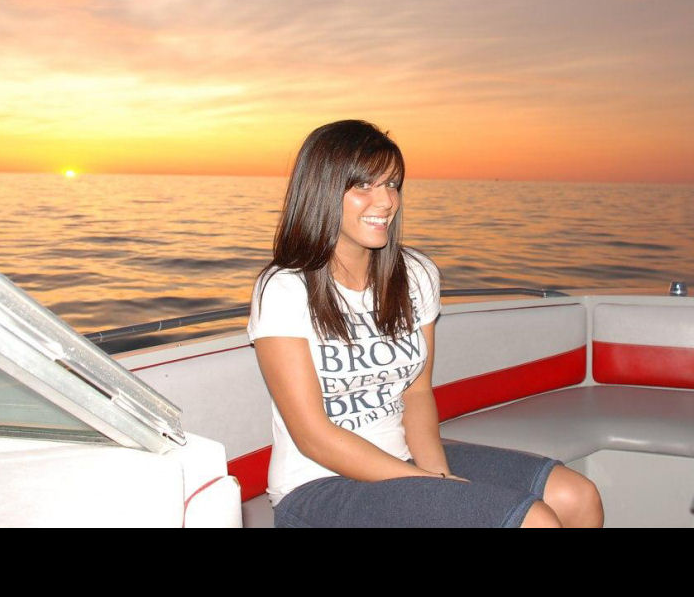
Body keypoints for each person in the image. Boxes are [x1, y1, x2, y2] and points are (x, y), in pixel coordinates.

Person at [247, 119, 604, 528]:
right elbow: (313, 436)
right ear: (322, 190)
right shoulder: (284, 289)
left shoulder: (416, 275)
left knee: (576, 497)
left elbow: (416, 393)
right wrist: (432, 486)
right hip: (318, 486)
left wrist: (438, 475)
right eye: (363, 185)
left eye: (392, 184)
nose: (386, 201)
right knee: (533, 521)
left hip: (404, 456)